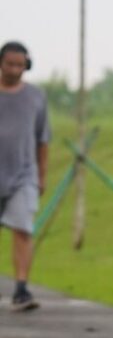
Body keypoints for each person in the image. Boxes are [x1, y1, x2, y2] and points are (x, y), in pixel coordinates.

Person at [0, 41, 50, 312]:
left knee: (23, 229)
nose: (15, 70)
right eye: (10, 64)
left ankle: (21, 288)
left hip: (24, 175)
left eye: (20, 65)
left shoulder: (35, 97)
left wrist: (42, 175)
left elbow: (43, 139)